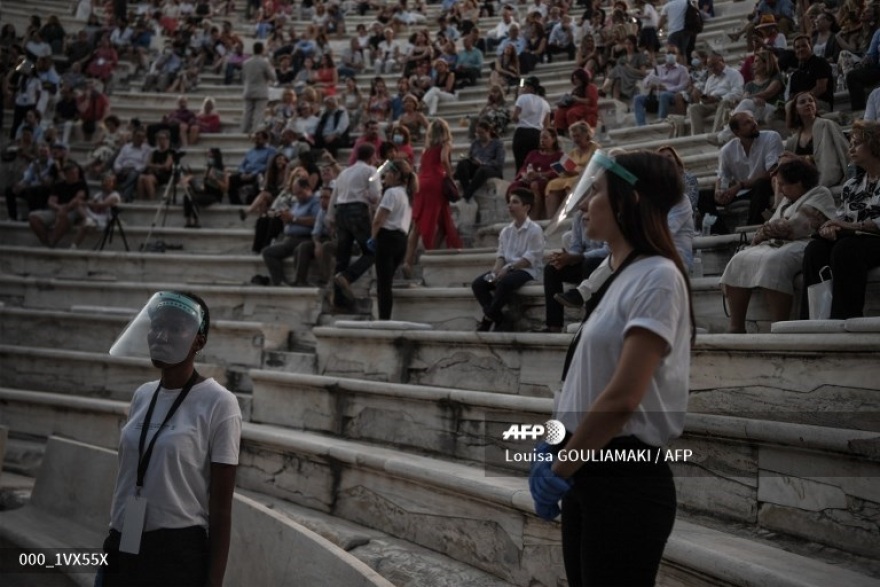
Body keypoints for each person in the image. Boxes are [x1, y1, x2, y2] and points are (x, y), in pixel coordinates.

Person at [529, 150, 694, 587]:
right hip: (586, 469)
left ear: (629, 200)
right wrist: (553, 443)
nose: (584, 204)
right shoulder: (614, 276)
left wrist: (560, 468)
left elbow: (622, 398)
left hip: (625, 480)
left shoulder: (657, 277)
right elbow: (577, 385)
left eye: (596, 191)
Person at [101, 291, 241, 587]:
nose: (160, 336)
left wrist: (213, 582)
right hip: (122, 542)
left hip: (175, 553)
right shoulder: (142, 395)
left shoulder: (220, 403)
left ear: (199, 341)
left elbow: (220, 508)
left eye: (175, 328)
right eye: (156, 326)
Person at [721, 157, 835, 331]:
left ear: (799, 182)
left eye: (783, 185)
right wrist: (766, 231)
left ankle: (779, 325)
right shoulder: (787, 199)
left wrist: (765, 232)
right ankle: (736, 326)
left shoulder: (820, 193)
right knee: (739, 259)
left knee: (774, 262)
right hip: (777, 243)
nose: (780, 189)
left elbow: (796, 226)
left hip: (806, 243)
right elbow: (772, 226)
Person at [800, 120, 880, 319]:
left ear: (874, 144)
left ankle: (844, 317)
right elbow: (842, 218)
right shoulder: (851, 185)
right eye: (851, 143)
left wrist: (848, 226)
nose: (851, 148)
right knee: (815, 249)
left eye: (857, 143)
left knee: (846, 249)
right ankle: (814, 317)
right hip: (854, 237)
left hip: (875, 238)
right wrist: (830, 228)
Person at [472, 189, 544, 331]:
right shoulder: (506, 231)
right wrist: (495, 272)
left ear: (526, 207)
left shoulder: (535, 230)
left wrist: (508, 269)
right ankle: (500, 319)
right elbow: (501, 255)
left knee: (505, 282)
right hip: (508, 269)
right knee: (479, 284)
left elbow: (529, 258)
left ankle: (487, 319)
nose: (510, 206)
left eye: (515, 202)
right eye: (509, 202)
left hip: (526, 270)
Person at [705, 112, 784, 232]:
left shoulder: (771, 137)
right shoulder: (727, 150)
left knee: (761, 184)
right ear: (737, 132)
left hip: (766, 185)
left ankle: (750, 232)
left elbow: (772, 171)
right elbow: (722, 175)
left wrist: (739, 185)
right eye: (747, 123)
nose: (754, 123)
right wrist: (719, 191)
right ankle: (721, 234)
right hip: (742, 191)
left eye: (753, 120)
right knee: (702, 196)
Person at [406, 119, 463, 274]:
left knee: (417, 225)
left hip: (421, 183)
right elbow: (444, 160)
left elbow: (421, 167)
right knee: (440, 223)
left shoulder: (427, 149)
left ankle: (408, 262)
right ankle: (431, 255)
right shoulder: (445, 145)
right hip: (435, 183)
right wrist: (450, 176)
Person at [329, 143, 381, 308]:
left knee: (342, 257)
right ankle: (348, 277)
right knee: (372, 251)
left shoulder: (344, 172)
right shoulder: (371, 171)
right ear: (371, 156)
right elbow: (375, 195)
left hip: (341, 212)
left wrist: (330, 217)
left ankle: (339, 299)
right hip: (357, 211)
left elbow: (334, 196)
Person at [371, 159, 416, 319]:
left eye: (389, 172)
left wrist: (373, 237)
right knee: (387, 282)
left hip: (387, 238)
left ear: (397, 175)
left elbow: (379, 219)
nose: (386, 176)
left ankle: (384, 319)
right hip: (401, 240)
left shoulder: (391, 193)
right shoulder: (408, 195)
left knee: (383, 285)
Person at [261, 177, 320, 285]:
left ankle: (299, 281)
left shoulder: (315, 202)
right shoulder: (297, 203)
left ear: (307, 188)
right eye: (295, 194)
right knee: (268, 252)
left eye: (300, 193)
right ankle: (280, 282)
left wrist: (294, 219)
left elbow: (316, 220)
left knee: (301, 248)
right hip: (290, 238)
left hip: (305, 238)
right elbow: (290, 218)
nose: (298, 197)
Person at [783, 92, 849, 187]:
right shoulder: (793, 139)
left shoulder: (826, 125)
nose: (808, 103)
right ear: (796, 110)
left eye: (811, 101)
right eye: (802, 102)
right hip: (804, 180)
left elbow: (844, 150)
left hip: (825, 176)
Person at [545, 121, 599, 221]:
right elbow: (567, 166)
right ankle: (551, 219)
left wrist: (577, 171)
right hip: (570, 175)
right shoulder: (573, 152)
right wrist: (563, 170)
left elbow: (594, 167)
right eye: (573, 137)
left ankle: (572, 217)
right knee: (552, 184)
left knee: (570, 183)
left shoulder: (595, 148)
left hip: (586, 176)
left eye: (578, 136)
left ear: (586, 135)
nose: (576, 139)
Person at [506, 128, 563, 219]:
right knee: (515, 186)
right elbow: (524, 167)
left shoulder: (559, 155)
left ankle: (534, 217)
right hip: (529, 178)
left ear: (553, 139)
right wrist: (524, 175)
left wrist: (539, 175)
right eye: (541, 138)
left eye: (545, 138)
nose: (542, 140)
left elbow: (558, 171)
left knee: (535, 185)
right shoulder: (533, 154)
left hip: (544, 180)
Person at [29, 161, 88, 247]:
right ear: (66, 174)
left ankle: (53, 241)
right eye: (72, 173)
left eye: (76, 173)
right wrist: (59, 208)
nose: (75, 175)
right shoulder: (59, 185)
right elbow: (51, 201)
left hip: (74, 210)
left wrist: (64, 209)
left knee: (64, 216)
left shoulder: (82, 185)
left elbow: (77, 199)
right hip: (58, 209)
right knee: (33, 217)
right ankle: (46, 241)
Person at [687, 52, 744, 136]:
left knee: (724, 102)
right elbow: (705, 97)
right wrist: (704, 100)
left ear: (722, 61)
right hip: (712, 104)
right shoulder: (710, 79)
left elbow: (738, 93)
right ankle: (697, 137)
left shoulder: (734, 74)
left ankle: (715, 134)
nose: (712, 68)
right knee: (693, 108)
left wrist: (718, 98)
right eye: (710, 66)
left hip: (727, 102)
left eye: (714, 65)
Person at [634, 46, 690, 126]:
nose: (671, 55)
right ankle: (641, 125)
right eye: (669, 53)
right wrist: (650, 84)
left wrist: (666, 88)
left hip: (671, 95)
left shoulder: (682, 69)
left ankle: (661, 122)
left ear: (677, 55)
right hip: (655, 95)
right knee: (638, 98)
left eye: (673, 53)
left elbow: (683, 86)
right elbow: (645, 81)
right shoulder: (659, 68)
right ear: (665, 55)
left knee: (664, 95)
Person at [454, 120, 505, 201]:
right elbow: (470, 156)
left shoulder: (497, 144)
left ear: (488, 131)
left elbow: (499, 162)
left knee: (482, 170)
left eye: (481, 133)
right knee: (462, 164)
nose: (479, 135)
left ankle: (466, 195)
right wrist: (471, 160)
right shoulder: (475, 143)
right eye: (477, 133)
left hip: (491, 169)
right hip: (476, 168)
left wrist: (483, 163)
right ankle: (467, 190)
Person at [512, 76, 551, 175]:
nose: (524, 88)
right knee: (533, 164)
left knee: (520, 164)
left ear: (530, 87)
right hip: (537, 134)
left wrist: (521, 119)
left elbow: (514, 117)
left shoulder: (522, 98)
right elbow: (547, 125)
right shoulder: (545, 103)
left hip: (522, 133)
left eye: (526, 86)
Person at [71, 172, 122, 248]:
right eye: (104, 182)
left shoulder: (115, 195)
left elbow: (102, 205)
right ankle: (74, 245)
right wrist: (89, 203)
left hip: (104, 219)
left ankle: (74, 246)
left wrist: (89, 203)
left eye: (109, 182)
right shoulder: (99, 194)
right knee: (77, 204)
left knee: (85, 224)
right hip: (94, 215)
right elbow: (92, 205)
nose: (105, 184)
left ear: (114, 184)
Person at [241, 41, 276, 133]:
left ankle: (244, 130)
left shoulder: (246, 63)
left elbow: (243, 77)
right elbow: (273, 77)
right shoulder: (264, 62)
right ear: (262, 50)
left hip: (248, 90)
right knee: (259, 113)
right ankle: (255, 132)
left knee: (247, 112)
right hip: (261, 91)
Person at [556, 69, 599, 134]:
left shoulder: (590, 87)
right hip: (575, 106)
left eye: (577, 79)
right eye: (574, 79)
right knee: (559, 112)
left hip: (587, 107)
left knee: (571, 113)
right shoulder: (576, 89)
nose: (575, 81)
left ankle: (575, 132)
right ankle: (560, 130)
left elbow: (591, 101)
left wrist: (577, 99)